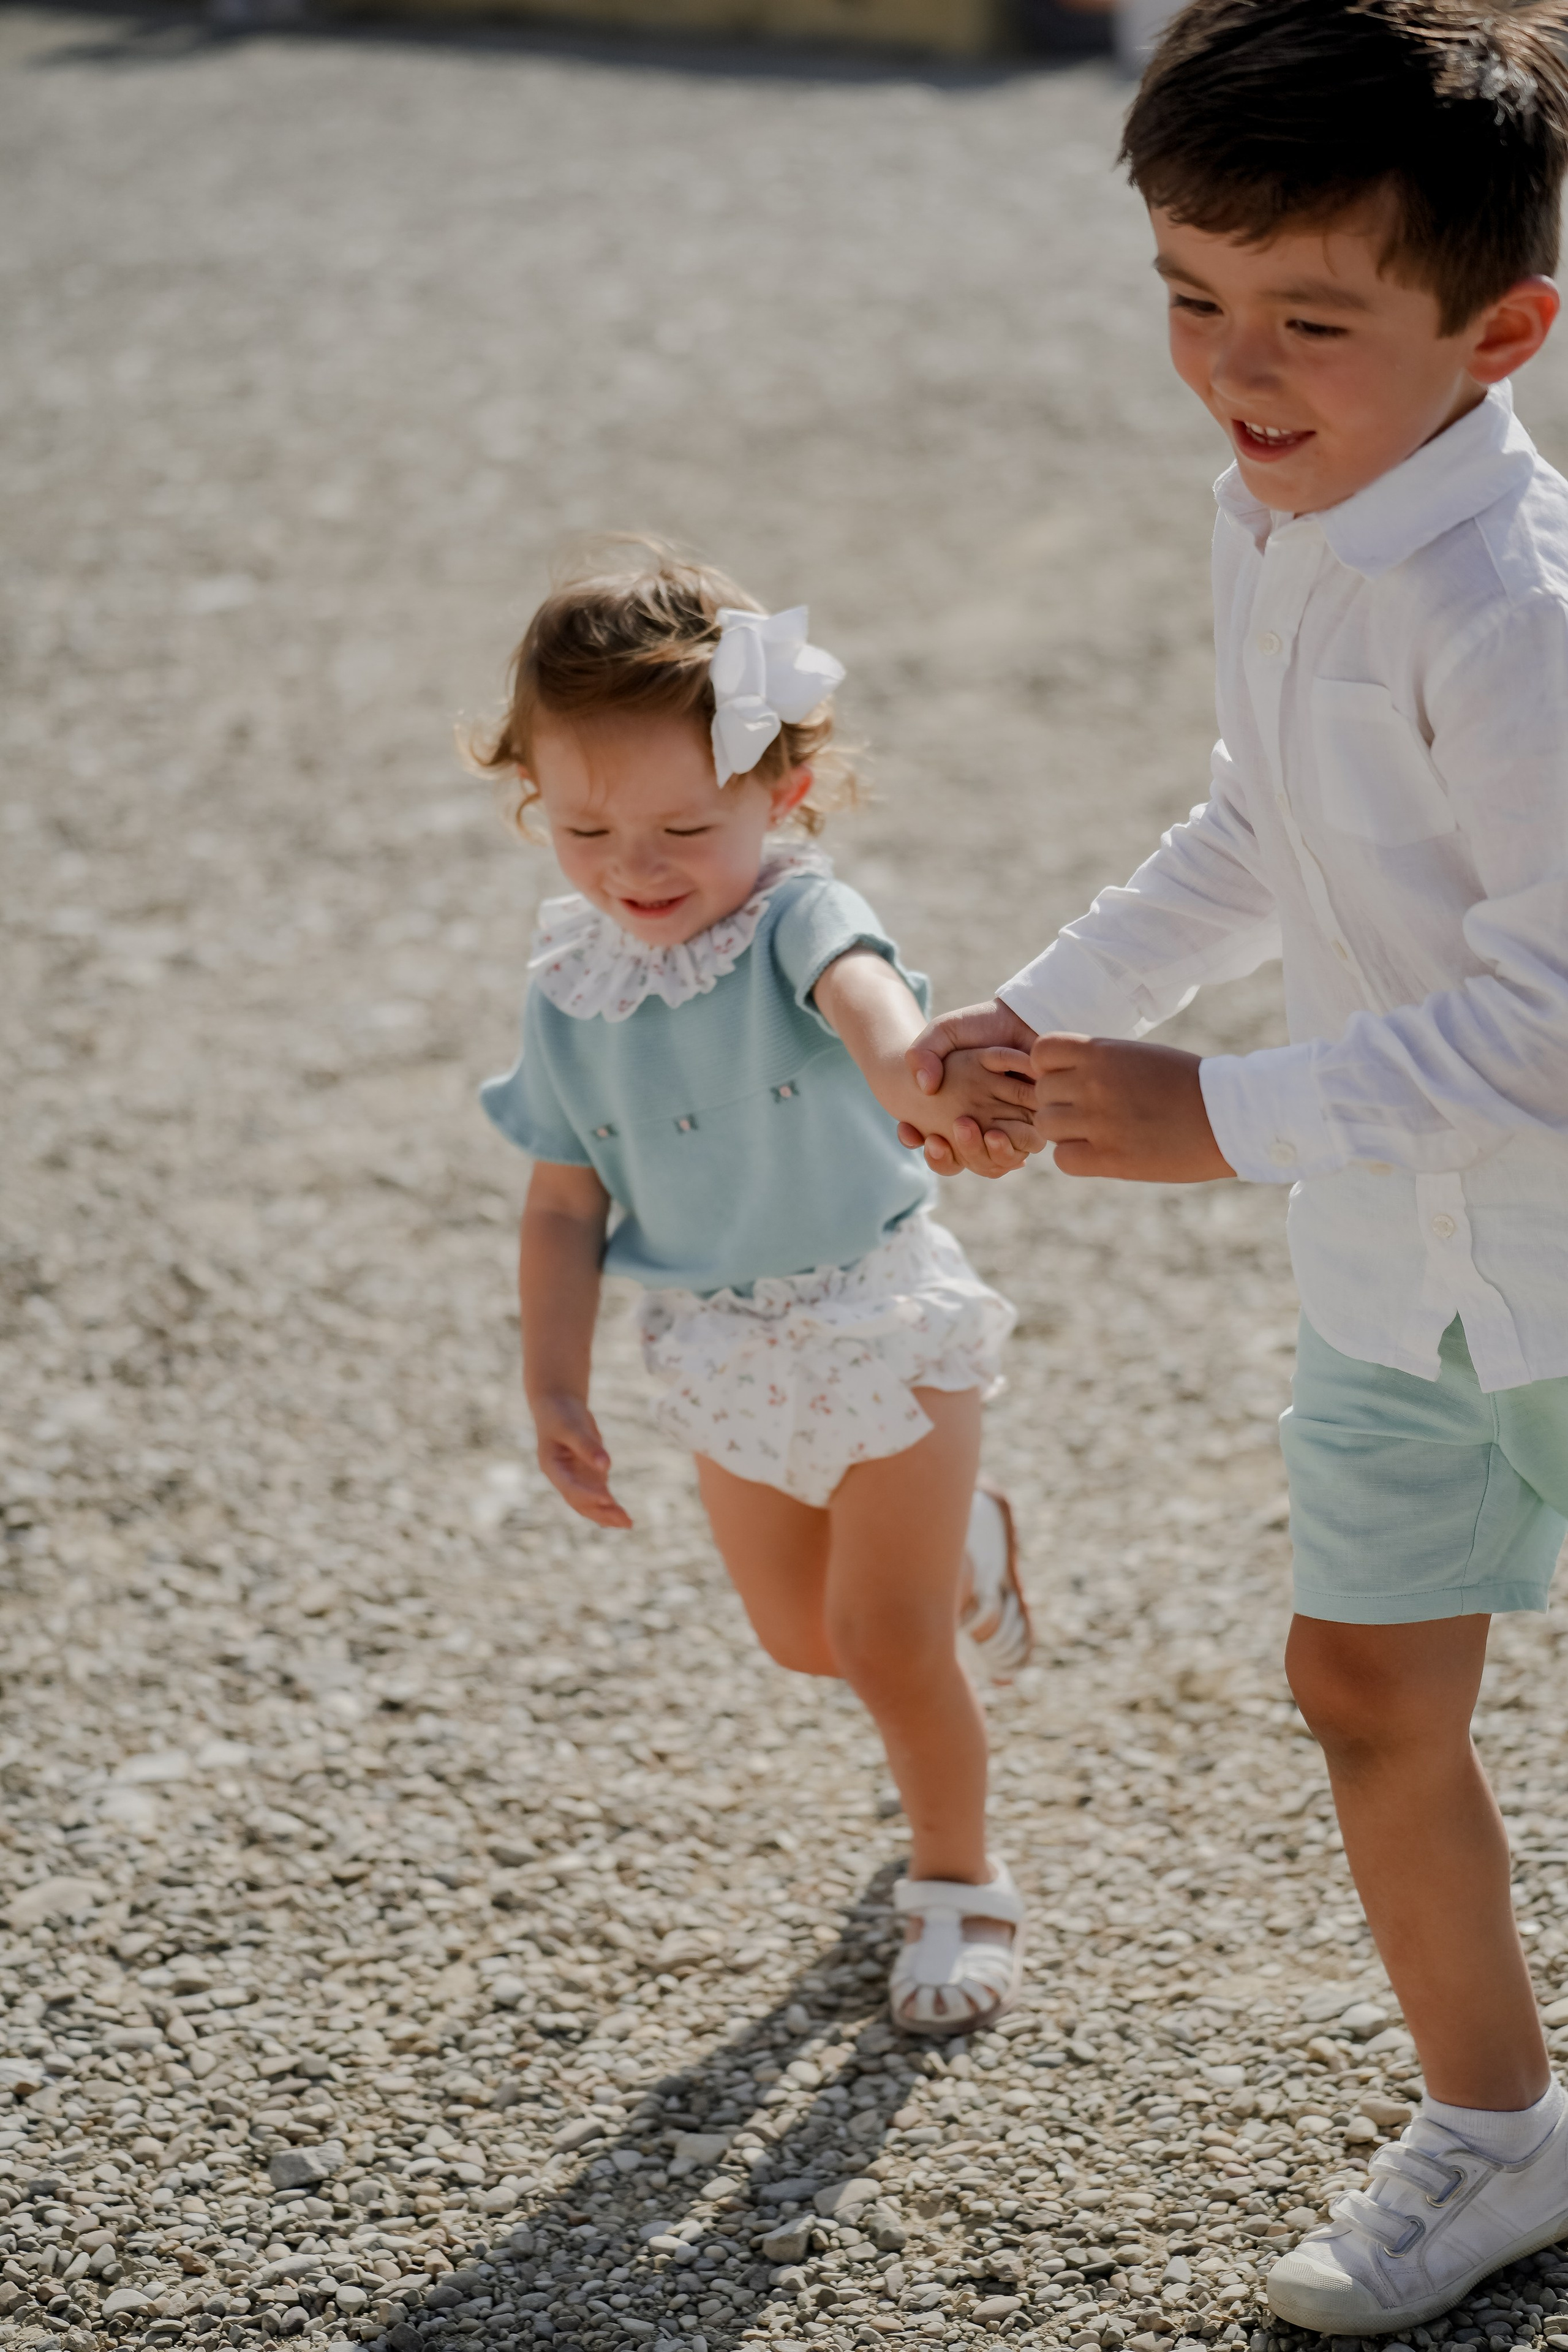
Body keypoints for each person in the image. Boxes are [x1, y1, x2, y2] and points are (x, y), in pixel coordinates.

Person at [899, 0, 1568, 2326]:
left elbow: (1558, 1016)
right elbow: (1252, 829)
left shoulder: (1515, 613)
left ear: (1504, 329)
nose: (1231, 366)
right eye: (1190, 296)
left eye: (1306, 317)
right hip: (1406, 1279)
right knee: (1368, 1694)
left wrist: (1228, 1121)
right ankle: (1499, 2138)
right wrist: (1059, 1015)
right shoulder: (1271, 511)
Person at [473, 541, 1039, 2035]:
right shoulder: (573, 980)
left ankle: (958, 1881)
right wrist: (552, 1381)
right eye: (584, 826)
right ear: (533, 797)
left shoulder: (793, 914)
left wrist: (917, 1072)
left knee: (883, 1642)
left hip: (876, 1312)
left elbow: (867, 1002)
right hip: (718, 1341)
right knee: (800, 1637)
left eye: (678, 824)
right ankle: (969, 1545)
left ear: (777, 795)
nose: (632, 868)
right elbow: (560, 1194)